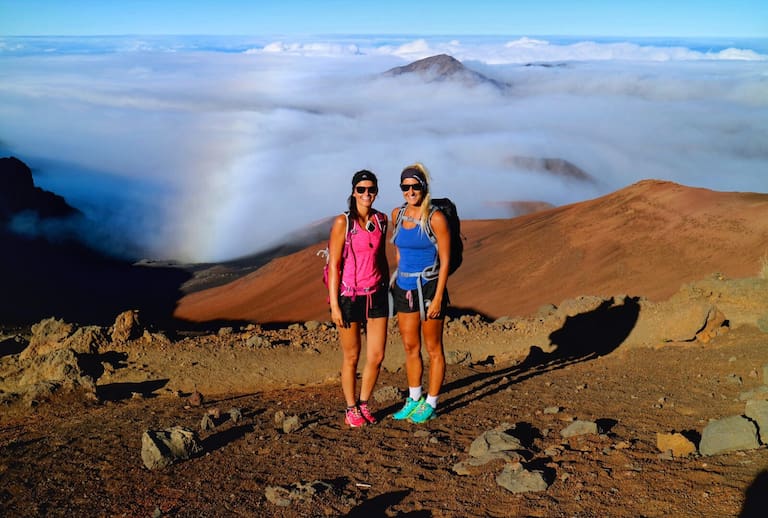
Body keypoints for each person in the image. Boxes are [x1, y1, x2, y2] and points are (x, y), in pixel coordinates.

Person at [327, 170, 389, 428]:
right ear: (353, 192)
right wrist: (334, 305)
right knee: (352, 356)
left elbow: (382, 257)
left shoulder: (382, 220)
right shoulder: (343, 223)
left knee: (376, 355)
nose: (367, 194)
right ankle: (350, 408)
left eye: (371, 189)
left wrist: (387, 286)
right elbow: (334, 265)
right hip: (349, 296)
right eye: (361, 189)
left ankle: (364, 404)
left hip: (376, 294)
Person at [389, 163, 450, 424]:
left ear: (424, 186)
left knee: (433, 348)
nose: (410, 191)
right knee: (410, 346)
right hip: (404, 287)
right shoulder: (398, 214)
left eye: (415, 186)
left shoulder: (436, 218)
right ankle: (414, 398)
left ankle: (431, 402)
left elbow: (445, 260)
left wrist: (437, 296)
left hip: (428, 286)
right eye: (406, 187)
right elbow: (399, 247)